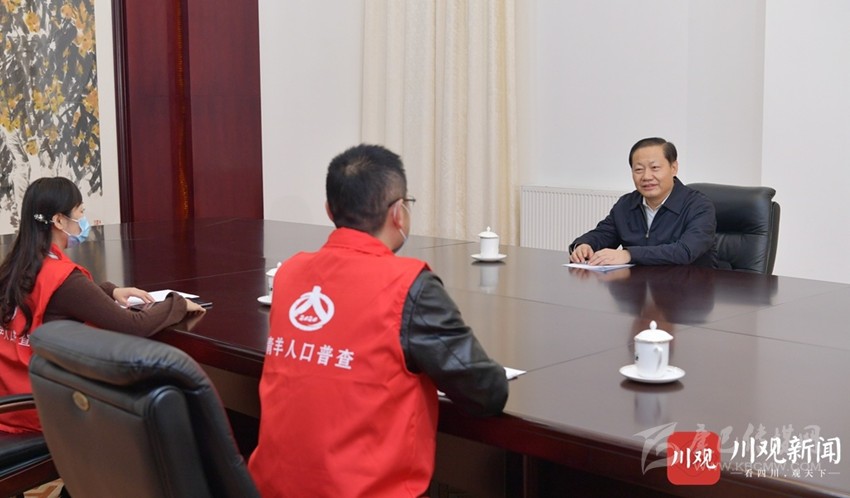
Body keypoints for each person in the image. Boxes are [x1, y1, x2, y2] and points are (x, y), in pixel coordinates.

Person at [248, 144, 509, 498]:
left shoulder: (290, 273)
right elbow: (485, 392)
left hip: (271, 489)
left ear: (329, 211)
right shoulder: (408, 285)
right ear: (399, 212)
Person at [0, 177, 206, 433]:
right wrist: (178, 303)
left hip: (10, 402)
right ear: (59, 221)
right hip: (41, 410)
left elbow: (57, 302)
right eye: (80, 212)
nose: (83, 220)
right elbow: (133, 325)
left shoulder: (16, 266)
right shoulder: (63, 278)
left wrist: (110, 291)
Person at [569, 137, 717, 267]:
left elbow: (685, 251)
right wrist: (584, 245)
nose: (646, 176)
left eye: (655, 168)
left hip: (689, 286)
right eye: (639, 169)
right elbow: (604, 234)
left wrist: (629, 255)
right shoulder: (626, 204)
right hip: (638, 286)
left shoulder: (698, 206)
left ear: (673, 168)